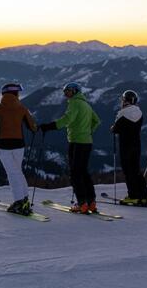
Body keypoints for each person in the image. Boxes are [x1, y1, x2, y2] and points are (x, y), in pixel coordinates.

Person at [40, 82, 101, 213]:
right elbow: (97, 121)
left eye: (68, 91)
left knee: (75, 174)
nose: (65, 93)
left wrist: (49, 126)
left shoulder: (75, 103)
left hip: (76, 142)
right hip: (87, 142)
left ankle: (82, 204)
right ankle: (91, 202)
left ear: (75, 91)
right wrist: (88, 132)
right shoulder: (86, 104)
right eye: (64, 91)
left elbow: (67, 119)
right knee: (83, 172)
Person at [0, 83, 37, 215]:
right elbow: (32, 126)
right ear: (15, 94)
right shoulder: (22, 108)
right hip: (19, 145)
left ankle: (19, 202)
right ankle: (24, 199)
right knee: (18, 171)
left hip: (3, 145)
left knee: (12, 173)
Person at [111, 90, 147, 206]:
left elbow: (116, 129)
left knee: (128, 171)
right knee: (136, 170)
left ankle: (133, 196)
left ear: (125, 101)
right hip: (136, 145)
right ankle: (144, 196)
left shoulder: (122, 113)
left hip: (125, 145)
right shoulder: (139, 112)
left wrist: (113, 128)